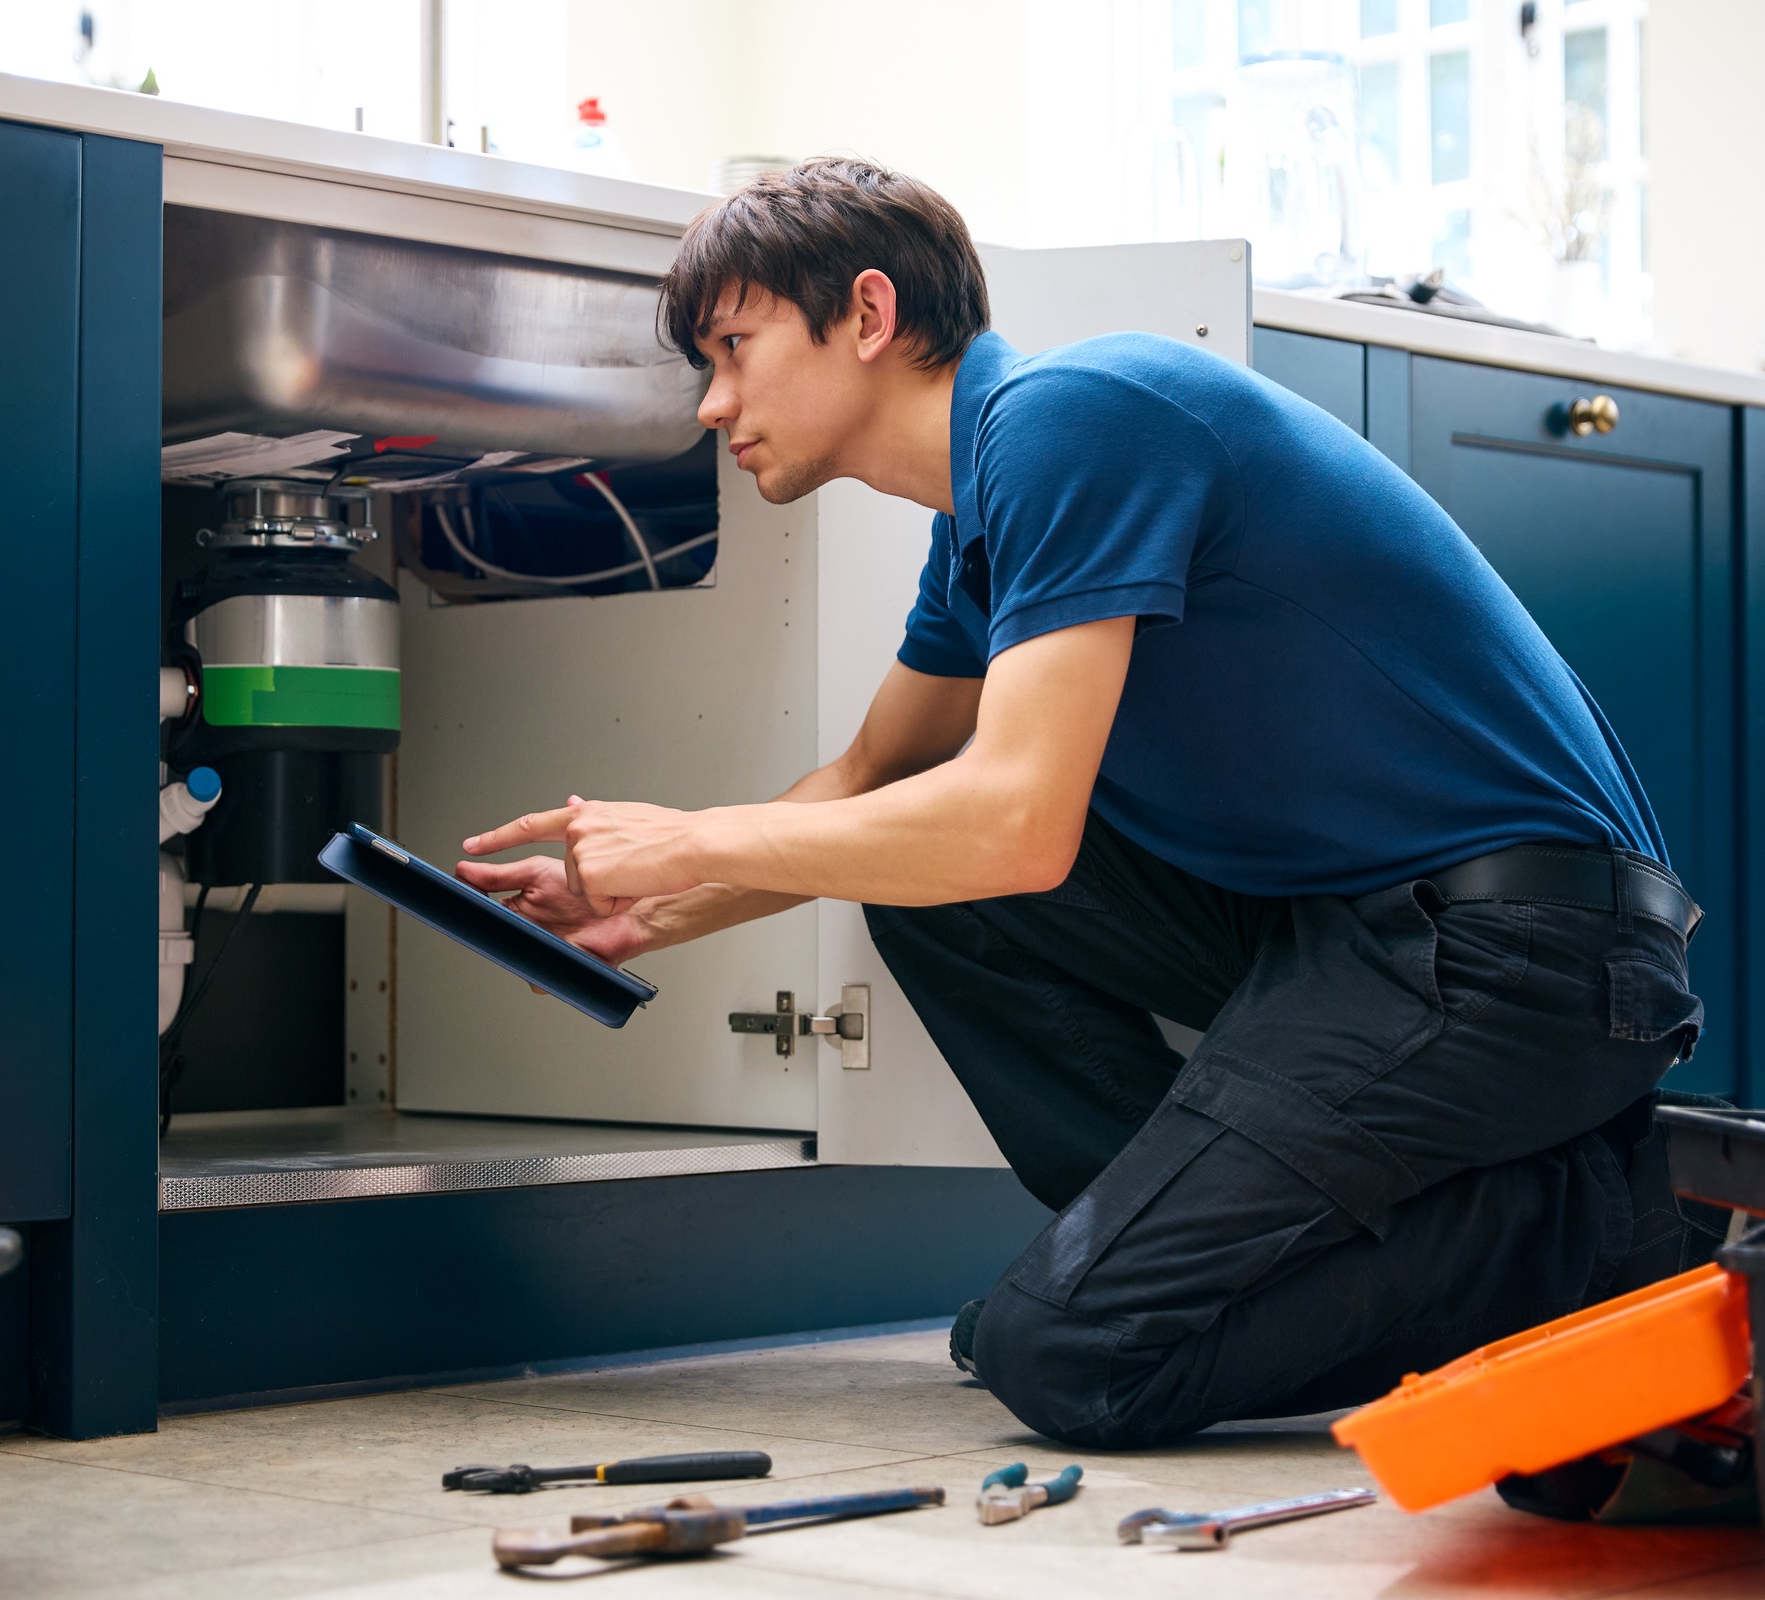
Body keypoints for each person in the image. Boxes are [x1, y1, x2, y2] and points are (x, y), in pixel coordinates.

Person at [453, 158, 1722, 1448]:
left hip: (1524, 956)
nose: (716, 404)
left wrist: (688, 838)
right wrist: (651, 904)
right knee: (936, 903)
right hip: (1355, 937)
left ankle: (1603, 1226)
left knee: (1067, 1360)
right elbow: (873, 787)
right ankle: (1130, 1270)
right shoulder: (984, 518)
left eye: (733, 348)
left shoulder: (1078, 417)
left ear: (870, 315)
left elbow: (1014, 820)